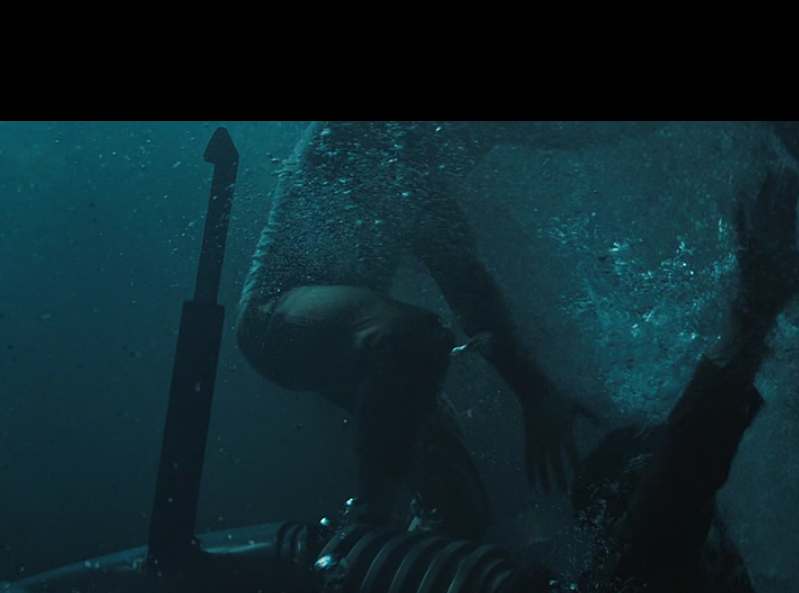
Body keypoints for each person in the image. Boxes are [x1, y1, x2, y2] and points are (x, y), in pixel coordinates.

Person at [314, 164, 799, 593]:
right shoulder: (639, 581)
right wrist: (753, 312)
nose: (710, 519)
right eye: (644, 471)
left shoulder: (660, 592)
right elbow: (683, 470)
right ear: (618, 506)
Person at [237, 122, 619, 540]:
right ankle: (364, 528)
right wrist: (533, 393)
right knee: (415, 338)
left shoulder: (417, 150)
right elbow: (464, 285)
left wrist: (535, 394)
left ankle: (378, 559)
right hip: (275, 318)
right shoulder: (389, 140)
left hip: (359, 339)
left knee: (462, 513)